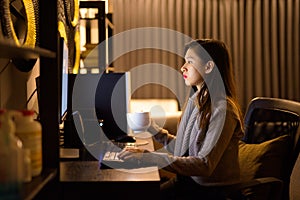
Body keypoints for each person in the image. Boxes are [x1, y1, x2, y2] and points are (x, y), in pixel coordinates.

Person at [118, 39, 244, 199]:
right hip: (188, 183)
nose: (182, 67)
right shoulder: (196, 101)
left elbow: (205, 165)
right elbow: (183, 150)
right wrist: (152, 128)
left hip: (211, 192)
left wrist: (148, 157)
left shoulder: (223, 109)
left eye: (190, 62)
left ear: (209, 67)